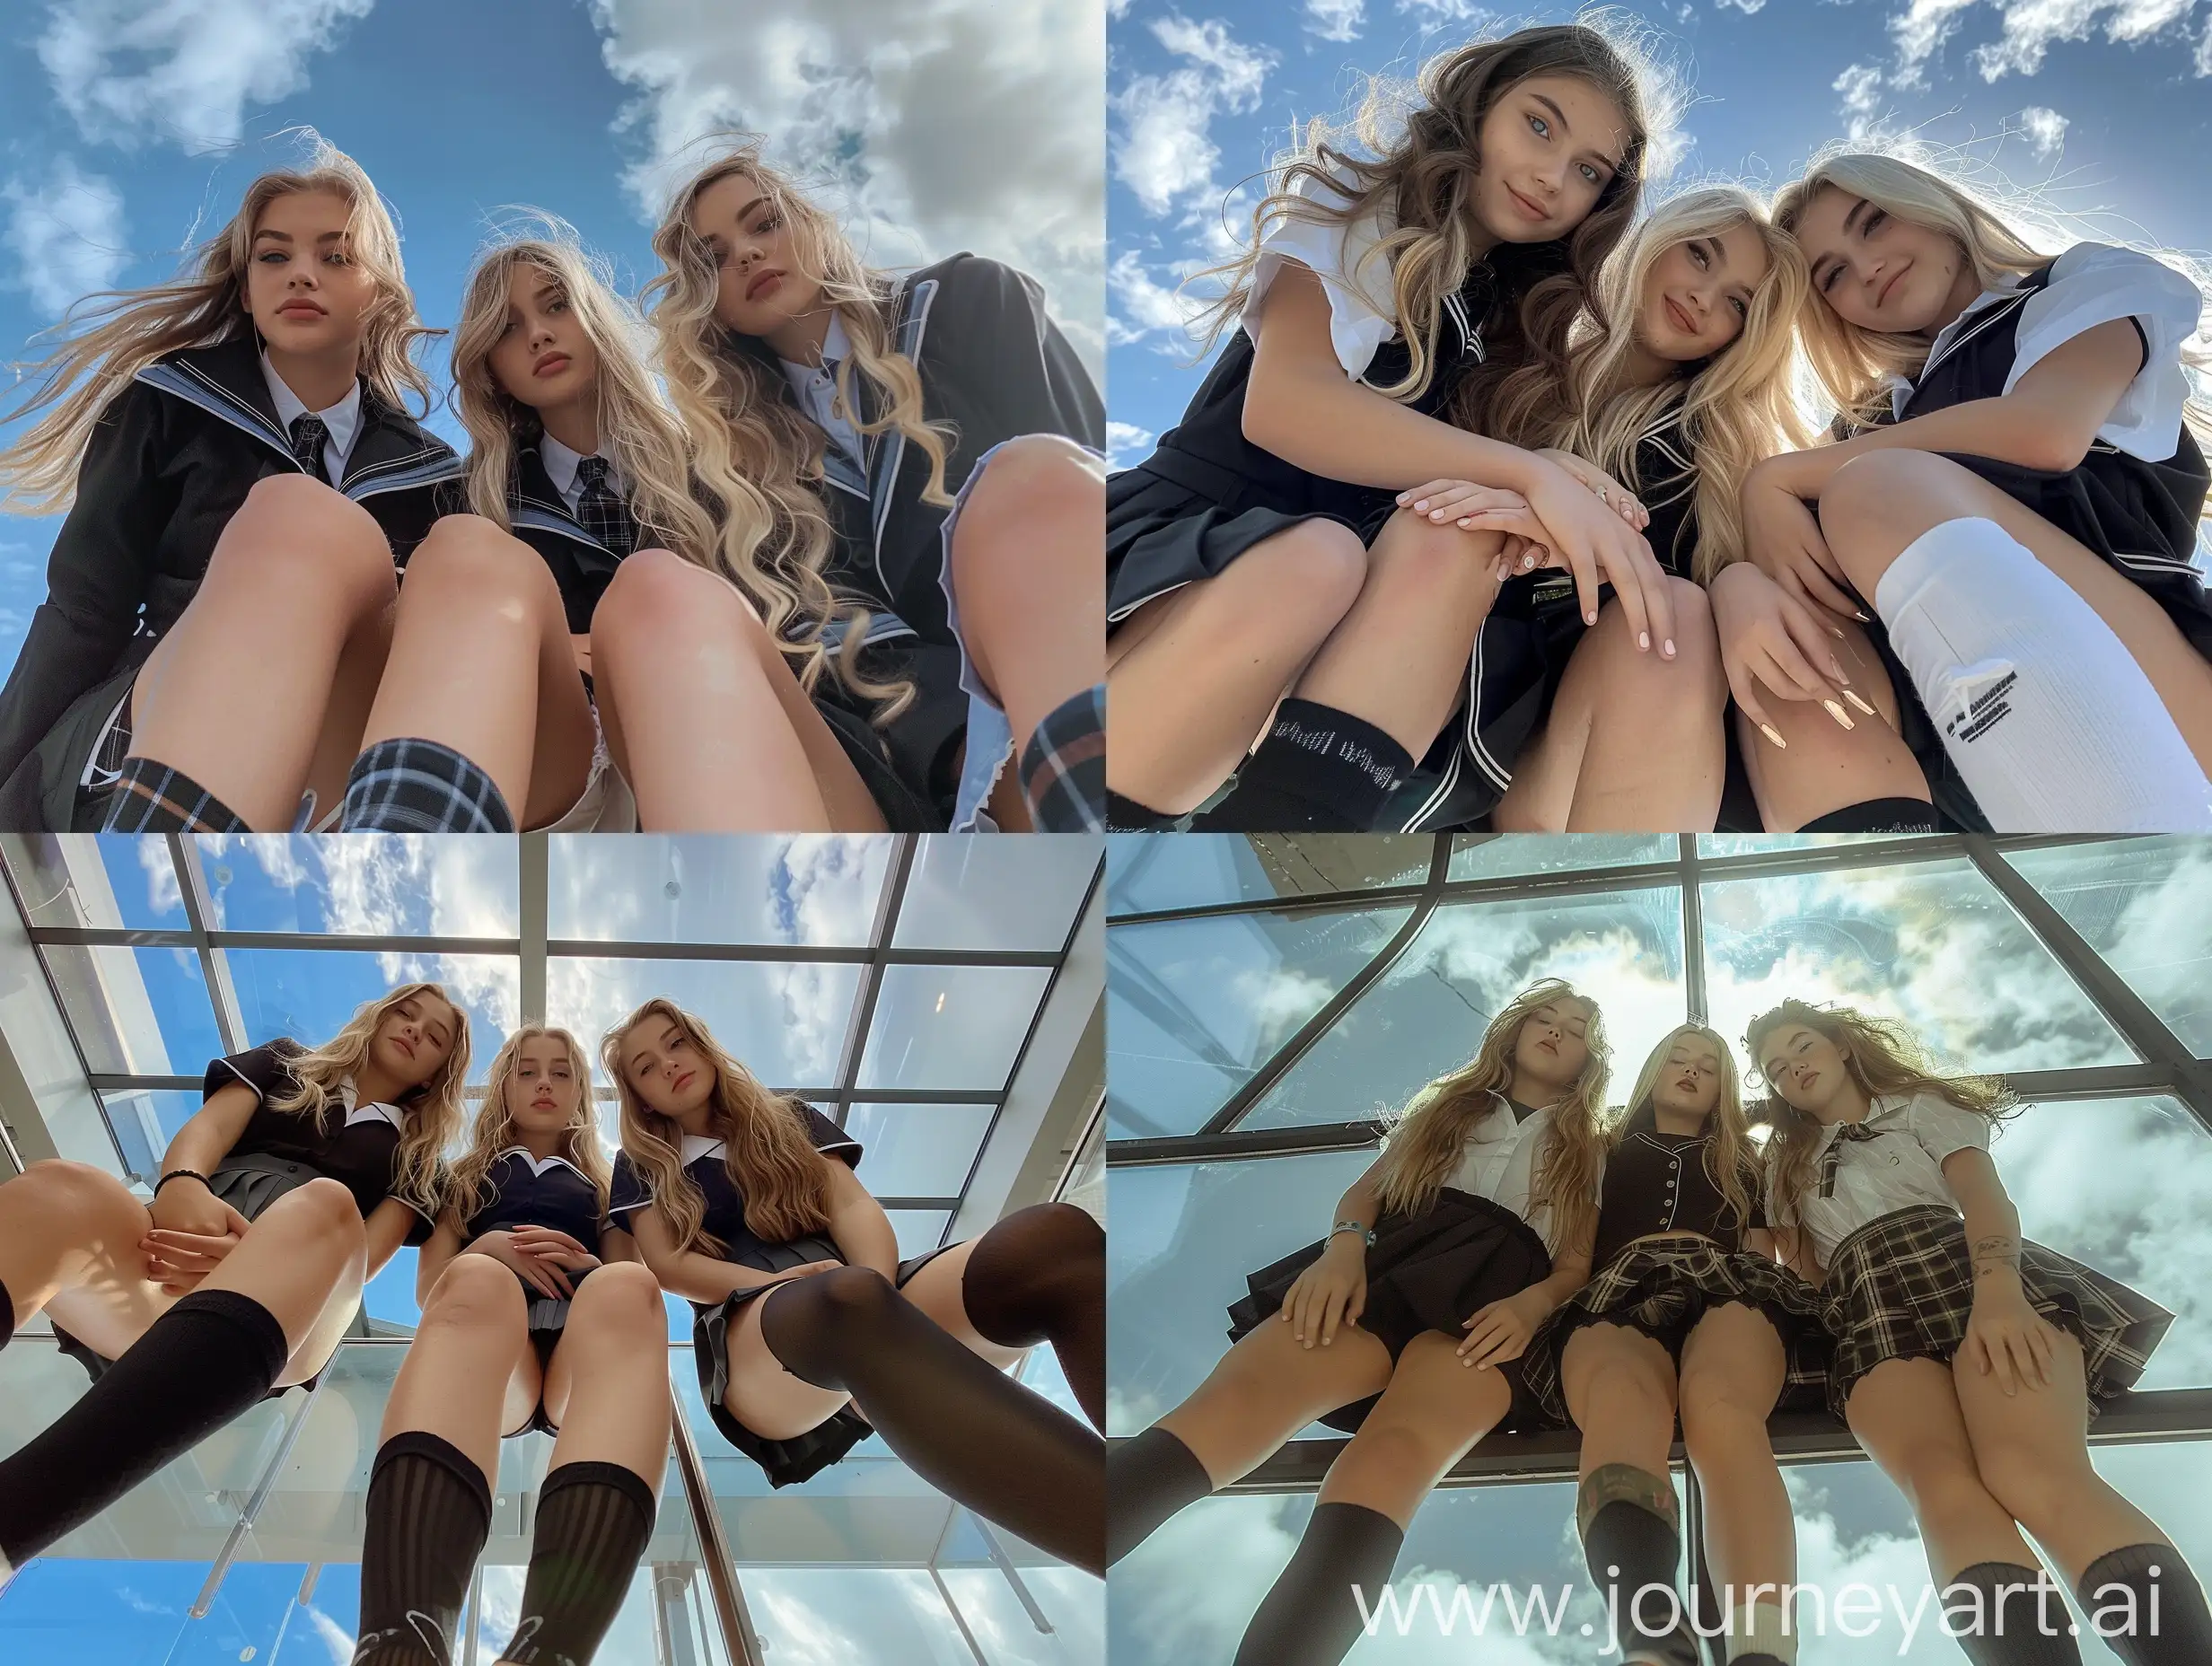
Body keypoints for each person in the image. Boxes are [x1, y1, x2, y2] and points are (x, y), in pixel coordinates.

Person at [1109, 980, 1611, 1664]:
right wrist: (1344, 1249)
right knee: (1234, 1408)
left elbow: (1575, 1261)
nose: (1557, 1029)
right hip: (1392, 1267)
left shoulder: (1590, 1146)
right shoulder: (1450, 1109)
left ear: (1591, 1058)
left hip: (1500, 1302)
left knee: (1390, 1465)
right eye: (1544, 1018)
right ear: (1513, 1032)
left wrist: (1532, 1306)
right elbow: (1369, 1192)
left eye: (1576, 1027)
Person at [1751, 997, 2210, 1665]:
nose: (1791, 1068)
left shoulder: (1917, 1106)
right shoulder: (1782, 1166)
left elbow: (1985, 1199)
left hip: (1962, 1270)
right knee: (1940, 1486)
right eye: (1774, 1067)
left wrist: (1999, 1295)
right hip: (1865, 1307)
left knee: (2031, 1470)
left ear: (1842, 1047)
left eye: (1801, 1048)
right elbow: (1807, 1272)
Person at [0, 983, 467, 1584]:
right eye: (406, 1014)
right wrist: (185, 1186)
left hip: (296, 1306)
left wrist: (256, 1258)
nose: (413, 1031)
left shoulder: (422, 1158)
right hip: (170, 1255)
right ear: (378, 1017)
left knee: (324, 1204)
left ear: (439, 1072)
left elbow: (367, 1259)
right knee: (63, 1186)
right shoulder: (287, 1063)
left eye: (434, 1036)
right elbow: (206, 1134)